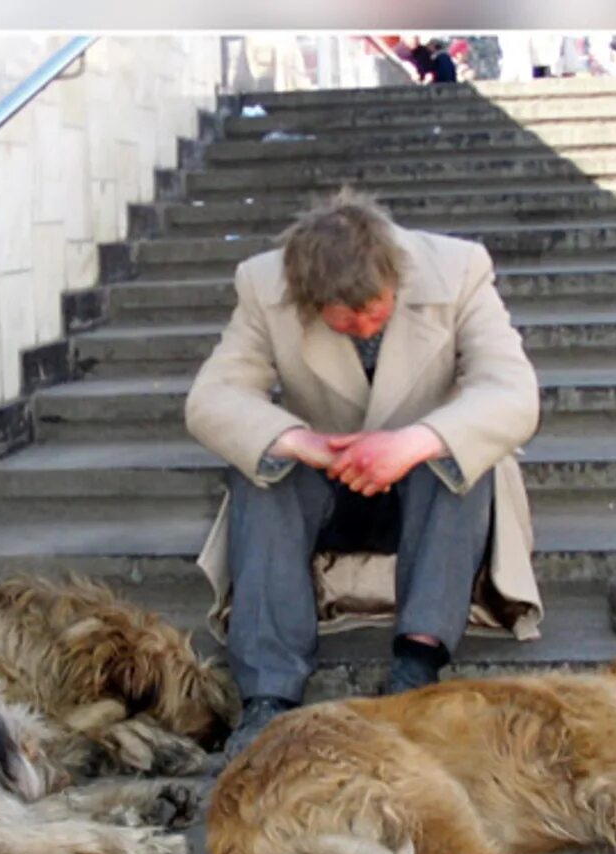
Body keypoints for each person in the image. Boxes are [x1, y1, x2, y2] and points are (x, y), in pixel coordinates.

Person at [185, 190, 544, 756]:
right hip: (328, 480)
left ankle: (416, 665)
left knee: (460, 453)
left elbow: (513, 394)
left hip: (427, 490)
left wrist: (411, 443)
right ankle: (269, 694)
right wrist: (303, 443)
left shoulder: (460, 269)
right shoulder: (262, 284)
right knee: (260, 465)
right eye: (343, 318)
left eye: (373, 308)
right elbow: (213, 398)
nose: (361, 324)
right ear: (307, 300)